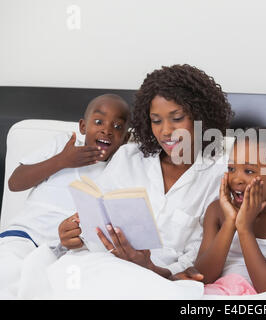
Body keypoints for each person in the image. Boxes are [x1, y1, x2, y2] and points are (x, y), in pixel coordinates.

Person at [58, 64, 234, 279]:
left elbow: (198, 259)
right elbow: (94, 219)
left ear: (201, 118)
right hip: (101, 264)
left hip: (156, 279)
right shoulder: (128, 158)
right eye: (156, 121)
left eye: (177, 118)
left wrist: (151, 268)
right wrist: (73, 234)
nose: (166, 131)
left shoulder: (219, 175)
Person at [0, 93, 131, 289]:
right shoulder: (63, 145)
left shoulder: (122, 168)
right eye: (98, 121)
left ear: (126, 138)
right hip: (26, 236)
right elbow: (15, 183)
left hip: (71, 252)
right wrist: (62, 161)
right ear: (83, 127)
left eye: (117, 126)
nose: (107, 130)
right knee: (7, 272)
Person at [194, 128, 266, 295]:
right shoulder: (217, 211)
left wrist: (244, 228)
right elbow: (201, 277)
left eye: (249, 171)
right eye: (232, 168)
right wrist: (230, 223)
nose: (237, 179)